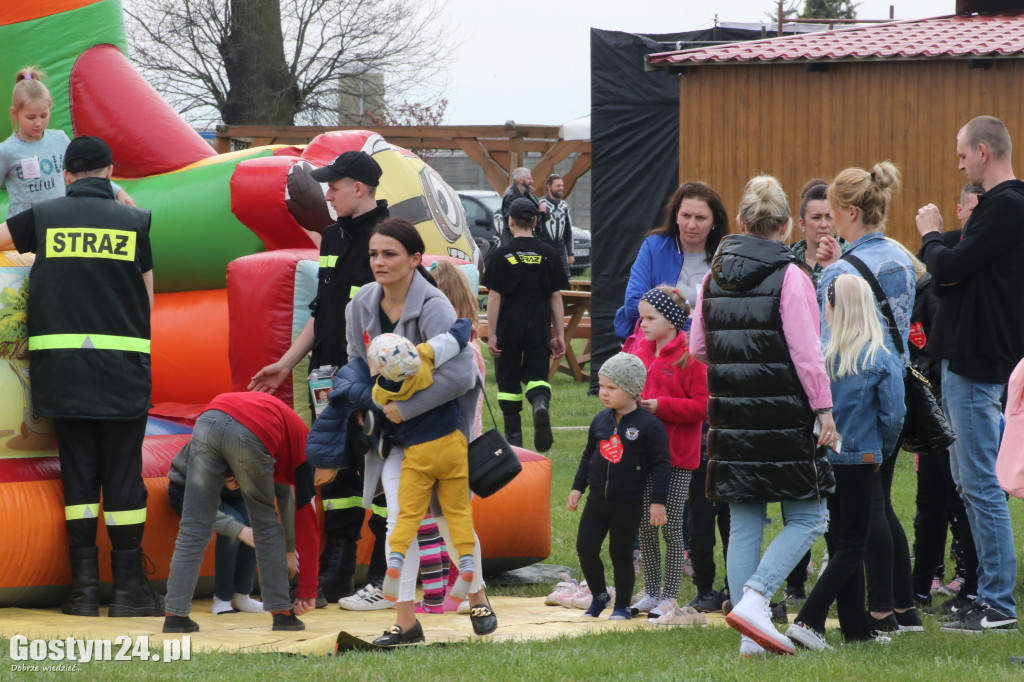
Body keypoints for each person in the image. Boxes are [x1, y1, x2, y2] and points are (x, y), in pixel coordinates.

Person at [0, 135, 160, 618]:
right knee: (124, 480)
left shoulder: (45, 216)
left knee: (80, 482)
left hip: (64, 377)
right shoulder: (135, 221)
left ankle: (83, 592)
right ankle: (130, 590)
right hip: (123, 376)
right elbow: (149, 299)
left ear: (67, 175)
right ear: (111, 173)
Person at [690, 175, 836, 657]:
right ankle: (756, 597)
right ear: (784, 224)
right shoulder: (792, 275)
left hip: (731, 413)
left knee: (744, 518)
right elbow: (807, 354)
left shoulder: (712, 276)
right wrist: (824, 410)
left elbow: (697, 347)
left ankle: (748, 641)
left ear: (745, 220)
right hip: (784, 413)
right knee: (810, 516)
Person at [345, 218, 496, 646]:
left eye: (389, 253)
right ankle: (406, 623)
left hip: (439, 434)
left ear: (414, 260)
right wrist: (366, 403)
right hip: (392, 440)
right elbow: (357, 365)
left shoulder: (434, 305)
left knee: (451, 521)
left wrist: (404, 409)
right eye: (374, 253)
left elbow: (463, 374)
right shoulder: (360, 304)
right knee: (400, 521)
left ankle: (478, 595)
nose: (379, 261)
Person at [248, 150, 389, 606]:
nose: (327, 194)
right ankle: (339, 564)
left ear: (359, 188)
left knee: (386, 468)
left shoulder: (389, 240)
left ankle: (388, 567)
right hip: (326, 377)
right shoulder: (331, 238)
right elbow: (322, 310)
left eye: (335, 186)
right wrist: (287, 363)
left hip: (373, 378)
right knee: (335, 470)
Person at [915, 115, 1024, 633]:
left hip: (979, 362)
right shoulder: (1002, 209)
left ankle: (998, 602)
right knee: (968, 479)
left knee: (979, 482)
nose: (958, 163)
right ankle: (986, 593)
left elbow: (949, 268)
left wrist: (932, 234)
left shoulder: (1006, 206)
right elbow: (954, 272)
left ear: (983, 151)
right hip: (969, 360)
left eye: (962, 154)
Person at [816, 161, 919, 635]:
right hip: (894, 386)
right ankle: (902, 605)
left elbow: (827, 341)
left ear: (851, 212)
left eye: (834, 211)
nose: (830, 221)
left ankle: (878, 608)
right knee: (881, 502)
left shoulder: (838, 273)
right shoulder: (900, 256)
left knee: (863, 513)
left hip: (853, 396)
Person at [786, 275, 905, 649]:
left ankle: (856, 628)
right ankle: (810, 620)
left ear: (832, 307)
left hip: (824, 456)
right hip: (862, 457)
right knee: (853, 544)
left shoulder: (819, 354)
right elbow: (894, 416)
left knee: (839, 541)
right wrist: (881, 453)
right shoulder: (880, 356)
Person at [161, 392, 320, 633]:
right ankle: (281, 613)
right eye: (324, 478)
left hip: (210, 418)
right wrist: (308, 589)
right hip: (250, 431)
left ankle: (175, 614)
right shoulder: (305, 456)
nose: (319, 481)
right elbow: (306, 522)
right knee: (266, 524)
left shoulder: (289, 437)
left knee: (193, 527)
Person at [365, 321, 478, 603]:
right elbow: (458, 335)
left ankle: (395, 561)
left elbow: (379, 410)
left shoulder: (382, 390)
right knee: (456, 511)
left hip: (418, 455)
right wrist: (464, 322)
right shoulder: (426, 355)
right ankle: (465, 563)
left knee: (408, 514)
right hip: (452, 445)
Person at [911, 184, 981, 618]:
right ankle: (921, 583)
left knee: (963, 497)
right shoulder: (935, 273)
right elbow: (919, 335)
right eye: (973, 210)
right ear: (959, 211)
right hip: (934, 399)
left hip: (966, 396)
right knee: (929, 498)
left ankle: (973, 584)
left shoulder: (984, 272)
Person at [567, 353, 671, 620]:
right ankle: (599, 595)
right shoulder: (600, 421)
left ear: (632, 389)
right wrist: (578, 488)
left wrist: (658, 502)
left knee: (621, 553)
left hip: (628, 503)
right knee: (585, 547)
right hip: (596, 501)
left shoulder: (649, 426)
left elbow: (661, 464)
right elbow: (589, 455)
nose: (603, 392)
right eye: (601, 386)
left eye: (611, 388)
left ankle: (622, 605)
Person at [628, 286, 708, 616]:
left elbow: (702, 407)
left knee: (672, 526)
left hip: (676, 459)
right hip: (643, 457)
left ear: (673, 322)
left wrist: (662, 406)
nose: (642, 324)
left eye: (650, 318)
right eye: (641, 317)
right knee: (645, 525)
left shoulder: (690, 359)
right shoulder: (641, 354)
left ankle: (670, 596)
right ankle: (652, 591)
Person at [166, 442, 297, 615]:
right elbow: (197, 478)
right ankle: (222, 598)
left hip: (234, 492)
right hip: (190, 488)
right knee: (233, 526)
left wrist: (290, 548)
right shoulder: (215, 433)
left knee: (253, 523)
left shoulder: (273, 446)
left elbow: (285, 496)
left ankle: (241, 595)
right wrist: (221, 479)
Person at [483, 197, 567, 452]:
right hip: (538, 324)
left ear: (510, 222)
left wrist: (493, 333)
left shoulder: (500, 254)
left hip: (509, 323)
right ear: (535, 221)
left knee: (507, 380)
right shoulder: (549, 254)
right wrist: (559, 334)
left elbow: (494, 297)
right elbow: (556, 296)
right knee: (537, 375)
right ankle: (540, 403)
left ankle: (514, 440)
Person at [1, 67, 133, 219]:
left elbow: (87, 172)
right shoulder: (7, 150)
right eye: (31, 117)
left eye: (43, 115)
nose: (38, 123)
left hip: (59, 221)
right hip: (24, 229)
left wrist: (118, 191)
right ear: (14, 113)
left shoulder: (59, 139)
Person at [613, 181, 728, 341]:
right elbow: (634, 307)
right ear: (676, 216)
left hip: (708, 349)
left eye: (700, 218)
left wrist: (670, 317)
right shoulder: (653, 247)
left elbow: (729, 316)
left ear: (714, 222)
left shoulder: (726, 256)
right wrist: (691, 317)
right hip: (658, 348)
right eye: (686, 215)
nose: (691, 224)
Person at [789, 180, 847, 286]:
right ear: (802, 224)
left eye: (829, 217)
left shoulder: (850, 257)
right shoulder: (788, 259)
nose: (824, 224)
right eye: (816, 218)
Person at [537, 173, 575, 278]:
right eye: (557, 186)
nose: (561, 188)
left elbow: (568, 232)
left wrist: (571, 253)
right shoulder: (540, 204)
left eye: (562, 185)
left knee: (566, 279)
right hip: (544, 247)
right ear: (549, 187)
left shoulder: (565, 206)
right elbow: (534, 229)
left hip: (560, 249)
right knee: (544, 278)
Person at [499, 166, 544, 244]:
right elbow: (512, 219)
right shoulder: (510, 197)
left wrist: (541, 209)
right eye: (529, 179)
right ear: (520, 180)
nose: (532, 181)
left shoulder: (529, 195)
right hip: (513, 239)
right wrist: (536, 211)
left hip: (527, 237)